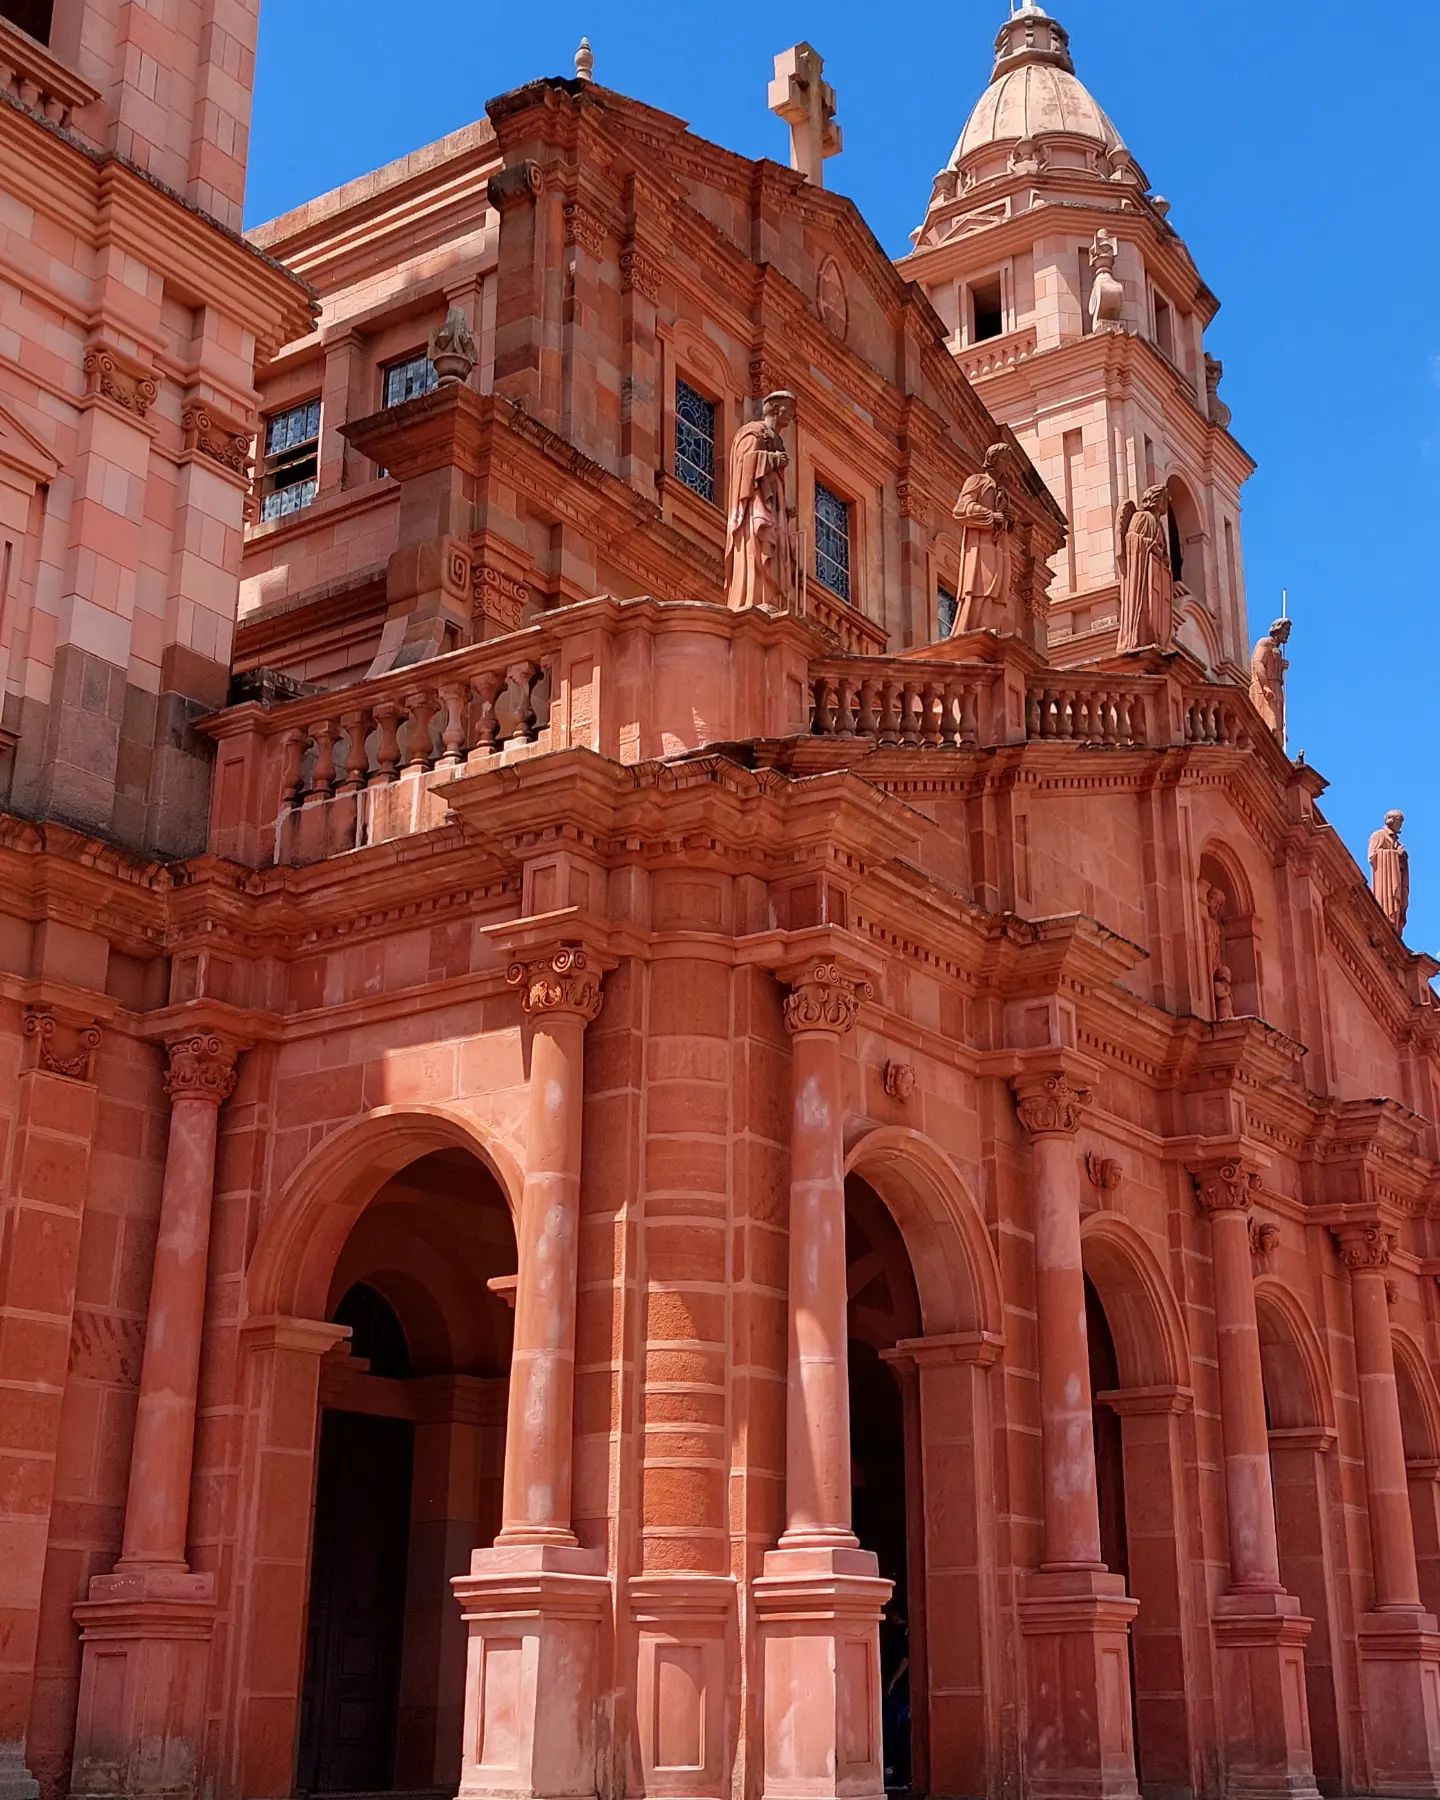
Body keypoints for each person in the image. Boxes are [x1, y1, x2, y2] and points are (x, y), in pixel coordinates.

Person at [724, 391, 797, 611]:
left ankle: (769, 597)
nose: (791, 416)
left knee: (773, 547)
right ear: (774, 407)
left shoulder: (776, 439)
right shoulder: (754, 432)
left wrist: (784, 509)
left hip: (771, 506)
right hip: (754, 505)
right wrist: (772, 459)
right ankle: (753, 598)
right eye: (788, 409)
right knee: (758, 540)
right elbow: (743, 465)